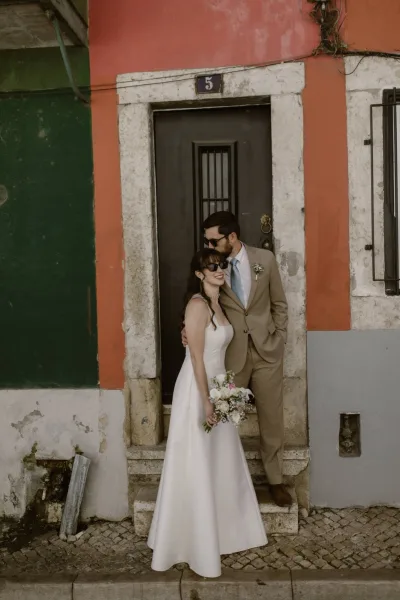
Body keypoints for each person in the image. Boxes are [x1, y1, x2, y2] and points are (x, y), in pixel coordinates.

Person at [148, 248, 267, 578]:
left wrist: (224, 392)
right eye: (212, 267)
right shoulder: (198, 305)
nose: (219, 269)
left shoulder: (222, 303)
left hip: (220, 385)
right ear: (199, 274)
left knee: (220, 459)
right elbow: (198, 359)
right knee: (197, 460)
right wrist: (206, 401)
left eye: (222, 264)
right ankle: (192, 539)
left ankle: (225, 531)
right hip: (198, 389)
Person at [182, 212, 291, 508]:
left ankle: (276, 480)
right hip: (232, 355)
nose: (209, 244)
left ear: (231, 237)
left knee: (272, 418)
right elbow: (199, 300)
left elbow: (279, 303)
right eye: (207, 240)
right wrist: (189, 330)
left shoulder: (264, 260)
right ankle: (220, 479)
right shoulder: (213, 267)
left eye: (213, 239)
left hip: (268, 351)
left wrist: (279, 337)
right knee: (223, 419)